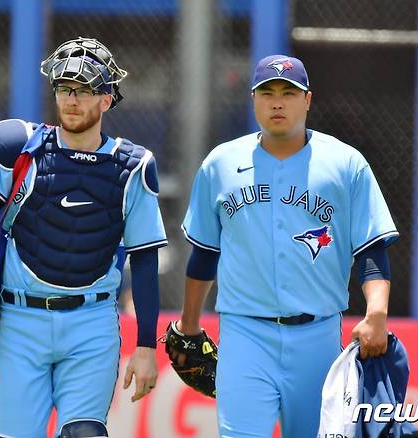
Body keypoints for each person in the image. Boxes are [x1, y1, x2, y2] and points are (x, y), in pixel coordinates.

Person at [0, 37, 167, 438]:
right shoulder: (19, 148)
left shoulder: (133, 167)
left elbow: (144, 258)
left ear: (107, 99)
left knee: (85, 433)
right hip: (22, 320)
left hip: (92, 322)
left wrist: (146, 346)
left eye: (83, 90)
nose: (71, 100)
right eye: (63, 89)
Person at [171, 54, 399, 437]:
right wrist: (189, 323)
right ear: (254, 100)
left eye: (289, 93)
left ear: (307, 100)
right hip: (245, 334)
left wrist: (376, 312)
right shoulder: (220, 164)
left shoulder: (346, 163)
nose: (278, 102)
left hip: (319, 335)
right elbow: (205, 254)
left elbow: (371, 251)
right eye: (268, 92)